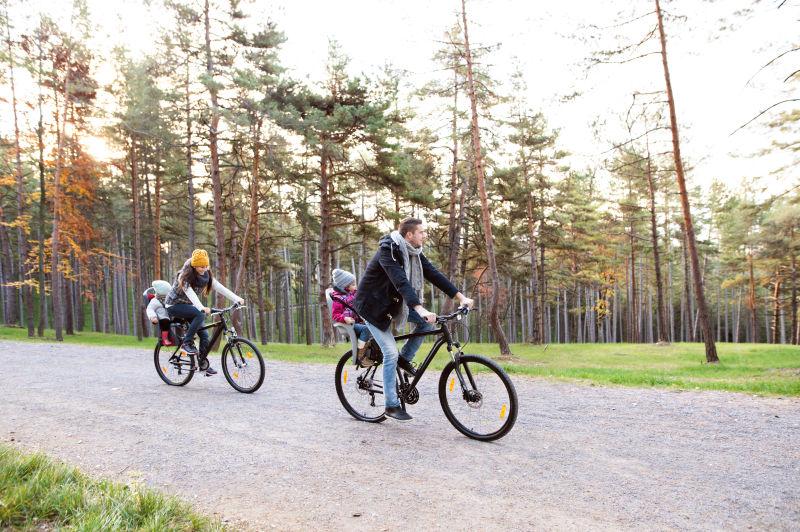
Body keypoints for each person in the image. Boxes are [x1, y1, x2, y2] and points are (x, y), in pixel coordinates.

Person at [353, 217, 474, 421]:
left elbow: (434, 275)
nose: (425, 235)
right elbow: (401, 282)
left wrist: (461, 297)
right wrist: (419, 308)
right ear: (409, 235)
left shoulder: (415, 253)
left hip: (393, 305)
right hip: (372, 306)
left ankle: (404, 359)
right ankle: (391, 405)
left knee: (427, 325)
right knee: (390, 353)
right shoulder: (388, 251)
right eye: (422, 232)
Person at [164, 249, 244, 376]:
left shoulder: (206, 274)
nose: (204, 268)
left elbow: (219, 287)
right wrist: (201, 307)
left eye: (206, 266)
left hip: (188, 305)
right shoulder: (184, 276)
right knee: (199, 314)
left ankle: (202, 364)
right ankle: (186, 343)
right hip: (174, 305)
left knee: (205, 335)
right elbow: (190, 293)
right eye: (201, 266)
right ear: (194, 265)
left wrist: (236, 298)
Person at [330, 268, 373, 366]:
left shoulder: (352, 293)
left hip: (357, 321)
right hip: (350, 324)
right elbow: (335, 315)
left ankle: (370, 351)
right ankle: (361, 356)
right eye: (353, 284)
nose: (355, 286)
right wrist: (345, 319)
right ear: (345, 286)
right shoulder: (338, 299)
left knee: (374, 327)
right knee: (366, 330)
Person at [144, 280, 174, 346]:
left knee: (182, 320)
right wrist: (153, 317)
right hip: (163, 316)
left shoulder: (170, 299)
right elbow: (150, 309)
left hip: (172, 315)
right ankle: (164, 339)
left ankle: (187, 336)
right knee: (165, 322)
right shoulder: (155, 301)